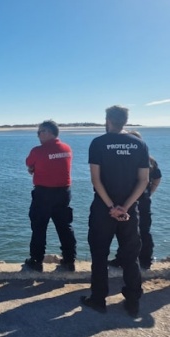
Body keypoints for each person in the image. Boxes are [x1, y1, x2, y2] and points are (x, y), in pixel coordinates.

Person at [80, 105, 150, 318]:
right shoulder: (139, 144)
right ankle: (133, 301)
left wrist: (111, 207)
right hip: (129, 212)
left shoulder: (98, 143)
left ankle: (98, 299)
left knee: (99, 255)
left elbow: (96, 179)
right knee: (130, 256)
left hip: (103, 210)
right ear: (125, 120)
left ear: (108, 119)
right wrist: (125, 207)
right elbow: (144, 181)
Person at [24, 120, 77, 272]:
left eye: (40, 132)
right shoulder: (67, 148)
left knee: (39, 227)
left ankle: (36, 260)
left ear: (48, 132)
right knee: (64, 226)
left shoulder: (38, 150)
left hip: (44, 194)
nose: (38, 135)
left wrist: (33, 168)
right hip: (64, 192)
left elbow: (29, 163)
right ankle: (69, 259)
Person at [109, 130, 162, 270]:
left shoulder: (149, 160)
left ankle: (145, 259)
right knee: (125, 229)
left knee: (142, 230)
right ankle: (123, 258)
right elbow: (157, 177)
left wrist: (150, 192)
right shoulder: (145, 159)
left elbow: (157, 177)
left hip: (141, 199)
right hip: (133, 198)